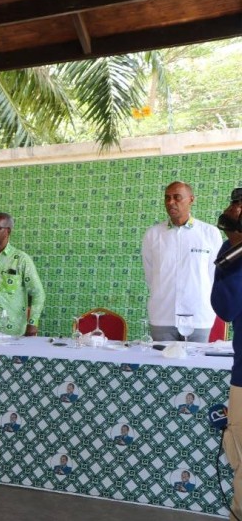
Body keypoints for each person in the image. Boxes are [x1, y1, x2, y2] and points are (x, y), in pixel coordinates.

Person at [142, 181, 222, 342]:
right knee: (162, 365)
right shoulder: (153, 234)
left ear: (191, 199)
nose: (171, 202)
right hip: (162, 314)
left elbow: (215, 275)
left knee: (195, 366)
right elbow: (151, 275)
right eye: (167, 198)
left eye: (177, 197)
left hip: (198, 315)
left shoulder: (209, 233)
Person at [211, 186, 242, 520]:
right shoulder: (232, 250)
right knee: (238, 456)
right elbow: (226, 307)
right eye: (233, 203)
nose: (234, 209)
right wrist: (236, 248)